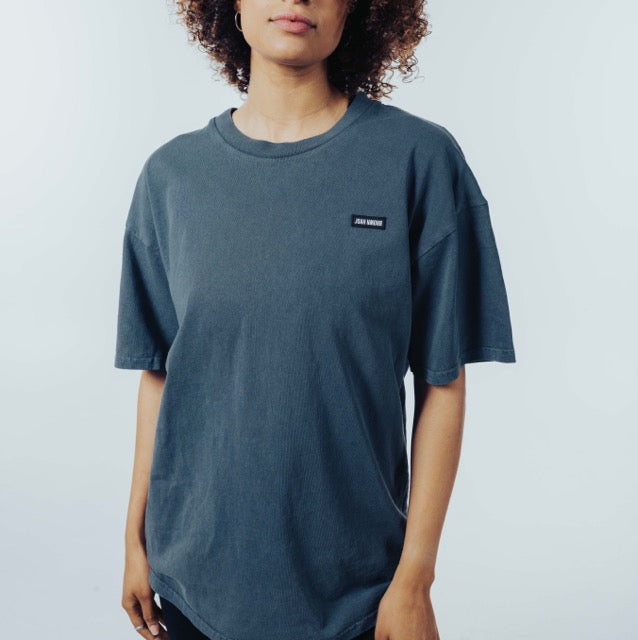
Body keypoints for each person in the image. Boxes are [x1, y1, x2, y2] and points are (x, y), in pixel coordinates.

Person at [114, 1, 517, 639]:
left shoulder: (418, 158)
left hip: (360, 596)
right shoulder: (171, 177)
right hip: (192, 587)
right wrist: (134, 541)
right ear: (231, 6)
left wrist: (415, 579)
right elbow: (160, 376)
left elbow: (442, 380)